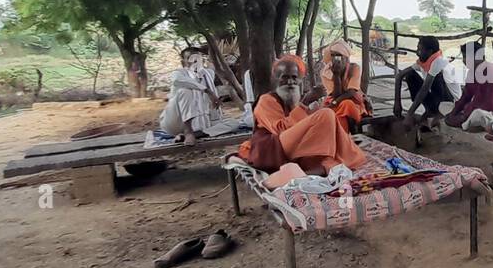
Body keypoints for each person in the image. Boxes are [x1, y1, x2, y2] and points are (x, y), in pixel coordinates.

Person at [235, 54, 366, 179]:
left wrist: (313, 111)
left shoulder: (293, 101)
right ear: (276, 79)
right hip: (273, 149)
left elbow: (306, 128)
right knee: (326, 115)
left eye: (294, 77)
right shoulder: (266, 100)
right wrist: (305, 103)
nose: (290, 82)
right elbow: (280, 130)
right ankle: (330, 162)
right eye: (285, 77)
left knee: (329, 119)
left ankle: (315, 169)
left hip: (295, 147)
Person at [158, 47, 221, 143]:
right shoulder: (178, 73)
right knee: (185, 91)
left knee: (233, 123)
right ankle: (188, 132)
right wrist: (207, 90)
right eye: (190, 58)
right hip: (175, 121)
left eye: (197, 58)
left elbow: (211, 68)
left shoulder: (208, 74)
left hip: (201, 122)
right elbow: (178, 81)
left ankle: (197, 133)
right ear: (183, 62)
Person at [394, 36, 462, 126]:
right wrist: (397, 103)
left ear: (429, 51)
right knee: (410, 76)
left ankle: (439, 113)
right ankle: (430, 110)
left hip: (451, 104)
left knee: (435, 78)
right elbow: (400, 76)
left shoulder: (438, 62)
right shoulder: (425, 61)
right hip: (439, 100)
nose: (417, 53)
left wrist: (409, 114)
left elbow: (425, 89)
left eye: (420, 50)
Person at [445, 42, 493, 130]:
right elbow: (465, 96)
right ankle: (466, 122)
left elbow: (489, 106)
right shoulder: (471, 72)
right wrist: (453, 113)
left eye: (470, 57)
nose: (465, 60)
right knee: (443, 106)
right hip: (474, 110)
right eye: (464, 57)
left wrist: (464, 115)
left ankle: (464, 124)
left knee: (478, 115)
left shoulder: (491, 72)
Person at [315, 40, 372, 132]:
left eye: (338, 55)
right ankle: (342, 135)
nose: (335, 58)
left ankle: (350, 132)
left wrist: (334, 103)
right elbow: (335, 95)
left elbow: (351, 92)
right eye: (333, 55)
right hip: (334, 100)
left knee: (347, 104)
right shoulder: (326, 72)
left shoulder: (354, 68)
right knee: (333, 114)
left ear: (345, 57)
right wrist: (336, 75)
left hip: (353, 101)